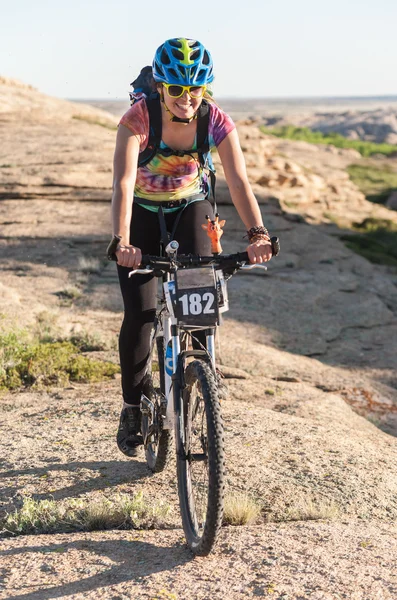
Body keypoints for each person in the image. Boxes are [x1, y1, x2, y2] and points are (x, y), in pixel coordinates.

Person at [111, 38, 274, 457]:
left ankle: (201, 384)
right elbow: (124, 183)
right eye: (178, 89)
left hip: (191, 206)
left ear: (206, 90)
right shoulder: (137, 119)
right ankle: (133, 406)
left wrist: (257, 233)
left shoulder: (215, 119)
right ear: (161, 87)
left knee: (200, 305)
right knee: (142, 312)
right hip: (144, 214)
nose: (187, 99)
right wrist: (122, 240)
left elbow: (238, 181)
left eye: (195, 90)